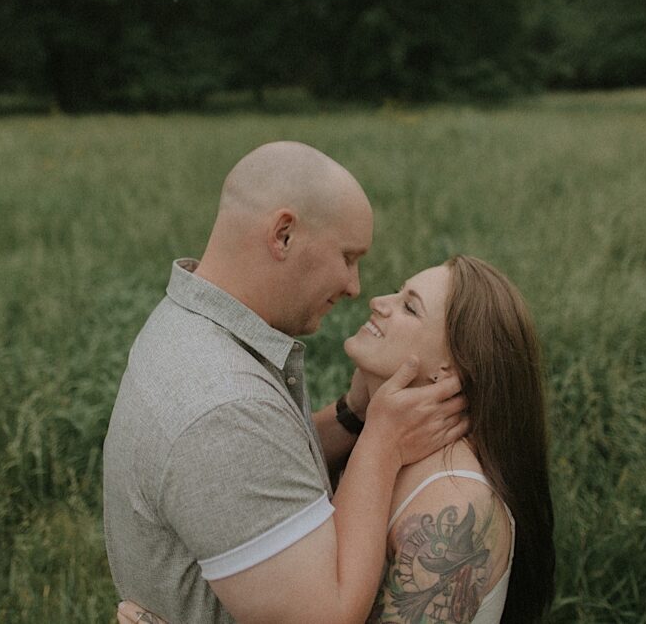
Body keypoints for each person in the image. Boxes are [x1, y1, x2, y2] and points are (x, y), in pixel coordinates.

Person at [103, 141, 468, 624]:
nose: (357, 287)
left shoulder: (185, 327)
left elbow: (264, 466)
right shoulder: (225, 407)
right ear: (284, 235)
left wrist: (354, 415)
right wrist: (381, 444)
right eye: (348, 256)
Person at [117, 255, 556, 623]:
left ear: (448, 372)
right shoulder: (382, 444)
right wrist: (363, 420)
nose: (378, 302)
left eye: (410, 307)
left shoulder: (454, 507)